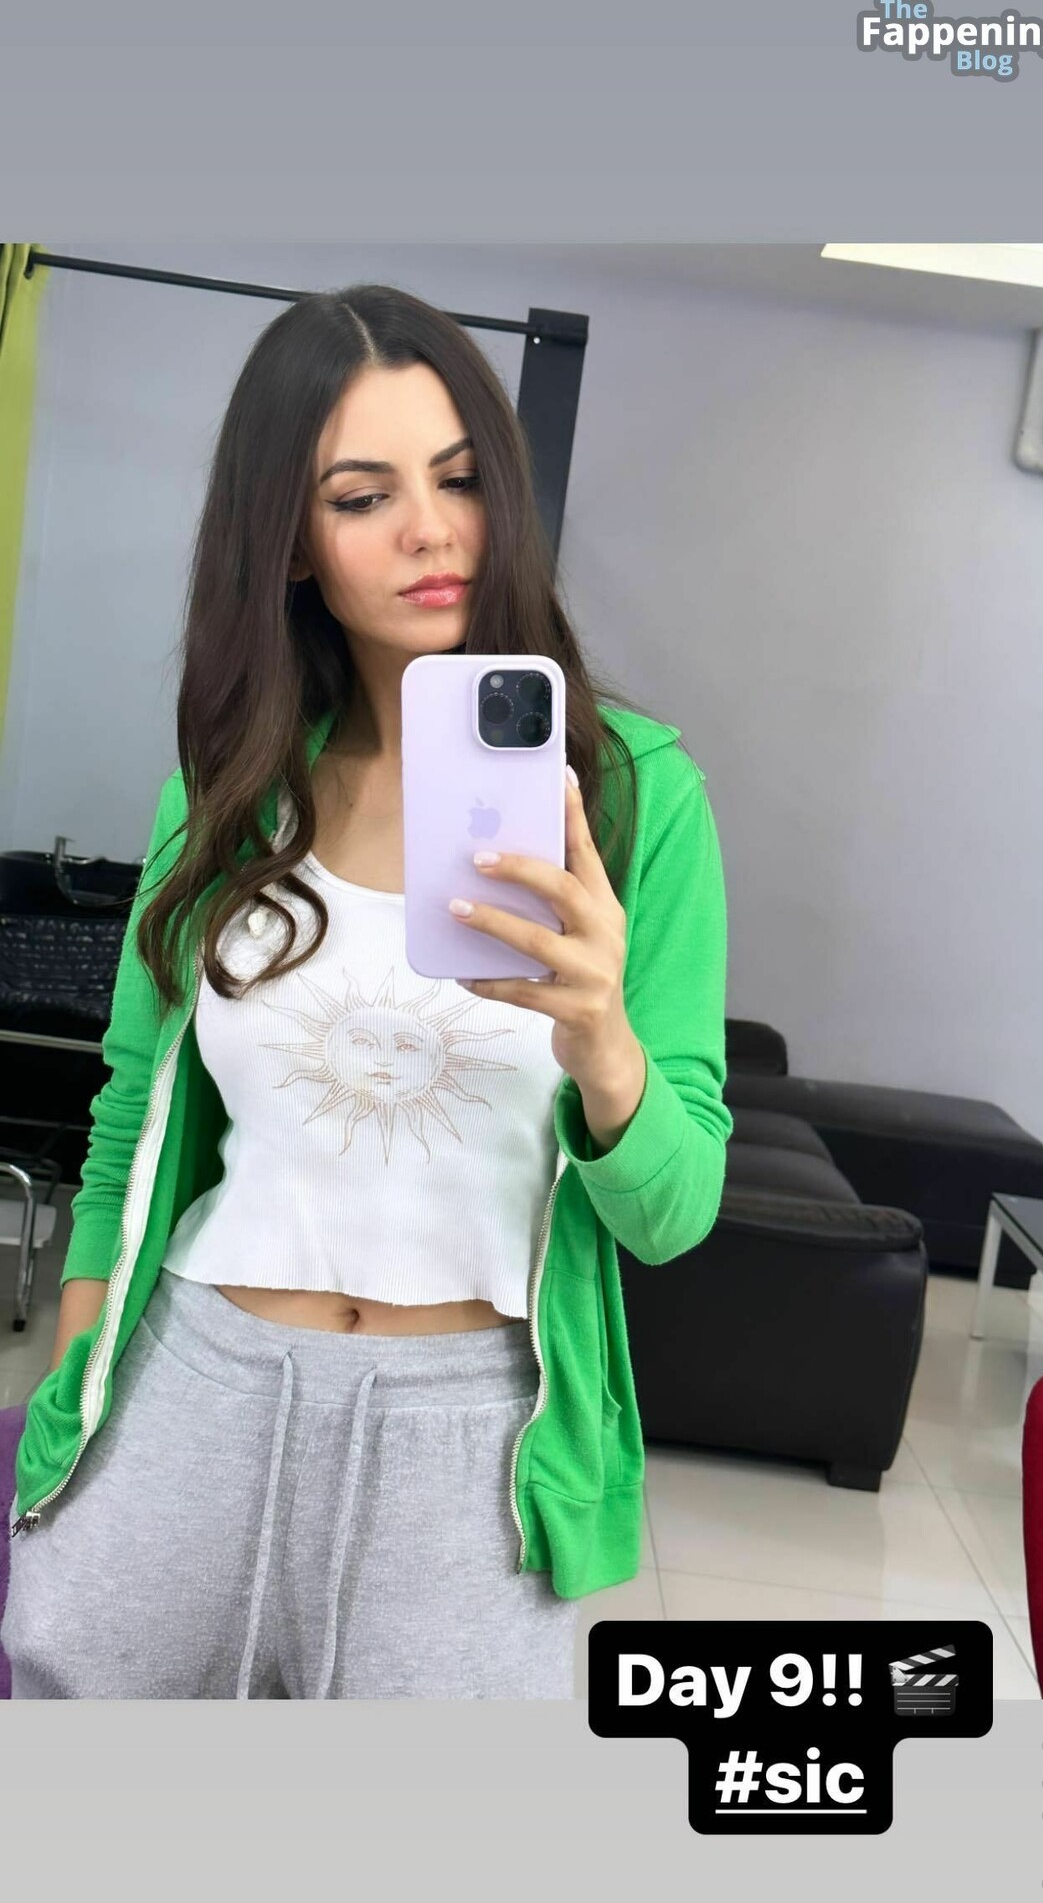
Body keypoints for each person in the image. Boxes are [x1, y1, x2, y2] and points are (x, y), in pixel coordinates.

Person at [2, 282, 733, 1700]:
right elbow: (127, 1122)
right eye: (362, 495)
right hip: (190, 1383)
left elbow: (675, 1215)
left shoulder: (638, 801)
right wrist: (82, 1367)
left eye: (460, 480)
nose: (431, 531)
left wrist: (604, 1044)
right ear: (290, 541)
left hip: (469, 1441)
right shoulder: (229, 790)